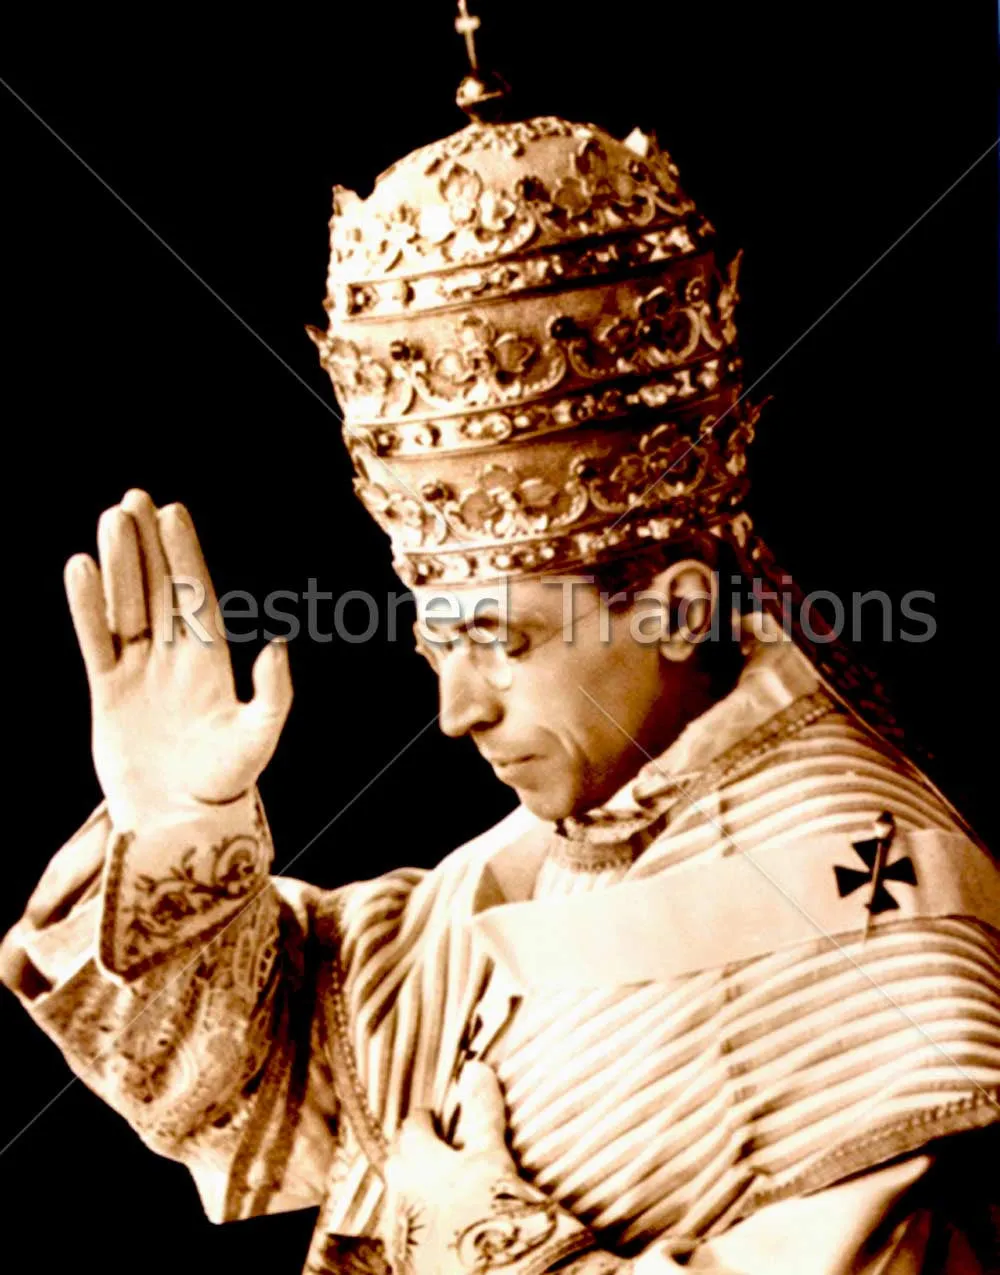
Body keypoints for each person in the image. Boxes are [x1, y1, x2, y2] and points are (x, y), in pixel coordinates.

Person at [2, 59, 998, 1275]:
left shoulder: (868, 904)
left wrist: (486, 1249)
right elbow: (248, 1082)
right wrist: (177, 825)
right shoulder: (547, 864)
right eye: (435, 641)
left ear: (680, 612)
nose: (454, 711)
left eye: (501, 640)